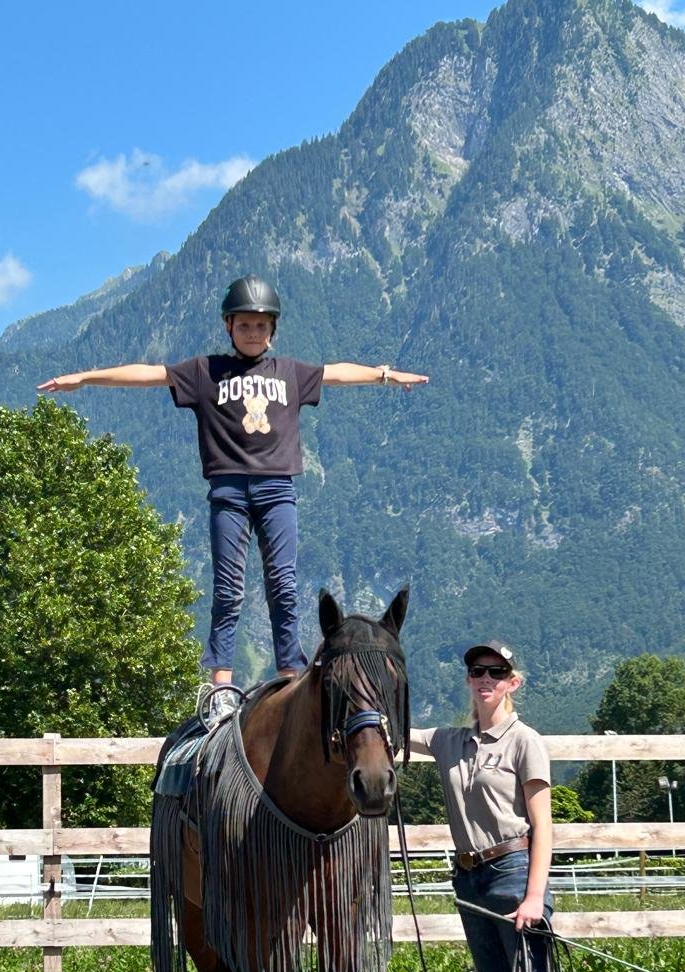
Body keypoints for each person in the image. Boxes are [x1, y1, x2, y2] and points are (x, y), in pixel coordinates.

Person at [37, 274, 428, 721]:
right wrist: (86, 378)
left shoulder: (290, 373)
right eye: (244, 324)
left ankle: (289, 673)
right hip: (228, 490)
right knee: (228, 587)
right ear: (228, 326)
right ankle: (221, 684)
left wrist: (384, 375)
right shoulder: (205, 372)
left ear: (273, 329)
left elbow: (337, 372)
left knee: (283, 584)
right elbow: (149, 374)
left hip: (278, 489)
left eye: (261, 325)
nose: (252, 332)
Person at [410, 640, 563, 972]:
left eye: (497, 672)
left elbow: (543, 826)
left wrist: (535, 895)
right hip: (470, 880)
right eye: (478, 670)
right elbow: (390, 734)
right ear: (469, 679)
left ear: (512, 682)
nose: (486, 679)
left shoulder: (525, 742)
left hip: (513, 871)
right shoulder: (449, 741)